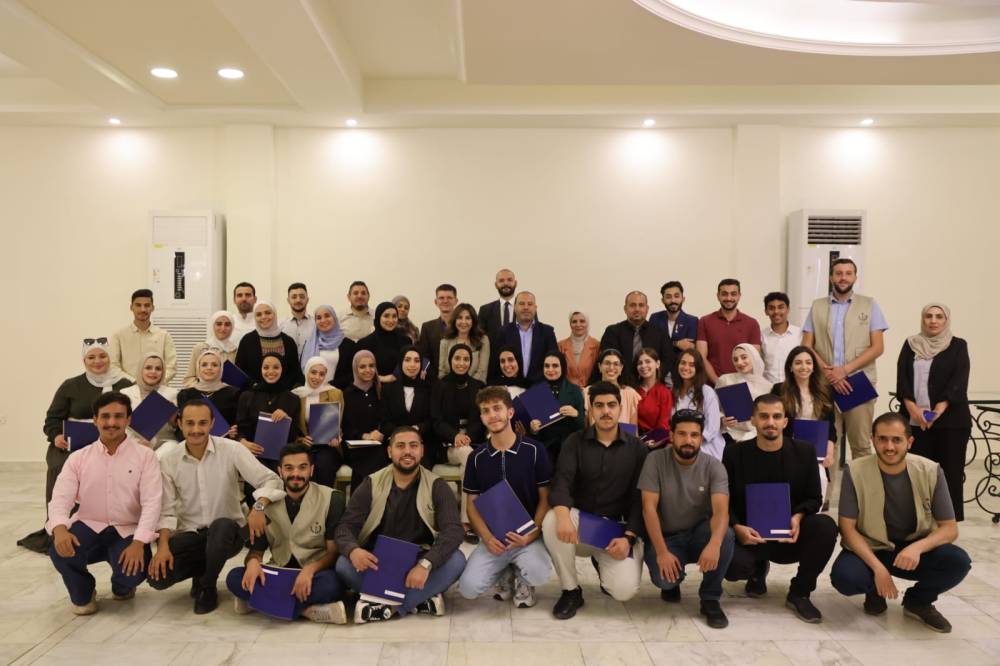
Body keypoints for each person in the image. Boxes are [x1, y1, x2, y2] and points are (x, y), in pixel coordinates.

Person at [830, 413, 970, 633]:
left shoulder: (930, 470)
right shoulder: (855, 471)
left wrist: (917, 548)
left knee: (958, 561)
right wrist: (878, 568)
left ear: (909, 442)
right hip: (872, 547)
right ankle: (874, 590)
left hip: (911, 549)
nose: (889, 447)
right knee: (845, 578)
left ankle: (918, 601)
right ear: (872, 440)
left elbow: (950, 528)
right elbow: (847, 529)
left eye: (897, 440)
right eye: (882, 439)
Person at [149, 399, 284, 614]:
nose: (196, 429)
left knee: (221, 526)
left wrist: (259, 506)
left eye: (202, 423)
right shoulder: (168, 460)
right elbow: (166, 509)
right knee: (158, 578)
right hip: (191, 536)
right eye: (190, 423)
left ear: (212, 423)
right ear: (180, 424)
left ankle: (207, 585)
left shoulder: (232, 449)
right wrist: (162, 547)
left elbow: (271, 480)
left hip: (228, 535)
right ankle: (203, 571)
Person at [722, 395, 839, 623]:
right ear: (753, 420)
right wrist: (736, 527)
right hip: (748, 538)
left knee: (825, 526)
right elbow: (724, 498)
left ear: (785, 422)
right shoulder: (734, 453)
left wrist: (798, 517)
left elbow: (814, 498)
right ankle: (756, 570)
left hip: (789, 537)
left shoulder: (805, 452)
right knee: (733, 568)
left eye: (777, 417)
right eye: (764, 416)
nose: (770, 422)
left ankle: (800, 592)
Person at [334, 427, 467, 623]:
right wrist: (354, 551)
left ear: (422, 450)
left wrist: (426, 564)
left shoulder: (437, 485)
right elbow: (345, 527)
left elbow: (454, 531)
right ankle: (420, 599)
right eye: (400, 446)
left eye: (413, 446)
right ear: (389, 451)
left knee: (457, 560)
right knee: (343, 565)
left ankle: (390, 606)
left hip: (420, 559)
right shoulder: (371, 483)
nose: (407, 452)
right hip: (378, 562)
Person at [47, 392, 161, 615]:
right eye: (105, 416)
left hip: (127, 529)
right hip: (89, 524)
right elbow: (60, 497)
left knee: (133, 572)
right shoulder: (78, 458)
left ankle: (122, 586)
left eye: (118, 416)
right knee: (60, 550)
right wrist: (59, 528)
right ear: (95, 420)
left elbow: (152, 503)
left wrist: (139, 543)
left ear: (128, 420)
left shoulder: (145, 456)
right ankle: (84, 591)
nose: (111, 422)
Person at [543, 381, 648, 619]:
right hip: (581, 526)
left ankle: (602, 563)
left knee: (624, 590)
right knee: (552, 520)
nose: (606, 411)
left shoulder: (637, 448)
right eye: (599, 405)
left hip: (616, 531)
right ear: (590, 409)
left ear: (620, 408)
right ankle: (571, 590)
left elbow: (640, 499)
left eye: (611, 405)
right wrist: (563, 516)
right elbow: (561, 482)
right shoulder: (574, 442)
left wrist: (629, 538)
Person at [19, 339, 132, 554]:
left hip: (111, 443)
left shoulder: (125, 385)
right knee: (59, 465)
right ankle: (59, 526)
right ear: (84, 360)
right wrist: (56, 436)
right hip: (72, 445)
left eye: (102, 356)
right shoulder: (70, 386)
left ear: (110, 358)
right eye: (91, 357)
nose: (97, 361)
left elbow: (136, 418)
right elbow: (52, 419)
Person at [227, 442, 349, 624]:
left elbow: (333, 553)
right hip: (278, 571)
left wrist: (310, 570)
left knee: (333, 584)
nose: (296, 474)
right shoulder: (265, 503)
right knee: (234, 577)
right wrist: (252, 563)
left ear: (312, 470)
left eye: (302, 467)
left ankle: (259, 602)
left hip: (314, 573)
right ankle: (306, 610)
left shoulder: (332, 499)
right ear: (280, 471)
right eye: (289, 468)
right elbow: (256, 552)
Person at [459, 387, 554, 608]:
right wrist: (487, 537)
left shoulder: (535, 450)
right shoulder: (476, 457)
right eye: (486, 411)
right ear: (481, 417)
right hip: (494, 538)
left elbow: (545, 498)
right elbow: (471, 505)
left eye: (497, 408)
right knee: (468, 589)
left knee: (539, 573)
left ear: (510, 412)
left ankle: (523, 577)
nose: (492, 415)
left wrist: (531, 534)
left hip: (527, 537)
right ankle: (505, 570)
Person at [802, 258, 888, 502]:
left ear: (855, 277)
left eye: (848, 273)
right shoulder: (817, 306)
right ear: (831, 277)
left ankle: (863, 498)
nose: (843, 277)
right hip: (824, 384)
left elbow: (877, 347)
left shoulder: (869, 305)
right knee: (826, 443)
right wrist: (830, 373)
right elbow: (806, 345)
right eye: (838, 273)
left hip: (858, 384)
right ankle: (824, 498)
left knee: (861, 444)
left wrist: (845, 370)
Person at [639, 409, 733, 629]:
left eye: (694, 435)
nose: (688, 440)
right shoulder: (654, 460)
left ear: (701, 438)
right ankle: (674, 581)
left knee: (726, 536)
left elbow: (721, 512)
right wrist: (662, 552)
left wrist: (714, 544)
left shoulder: (714, 466)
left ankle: (710, 598)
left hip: (699, 532)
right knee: (665, 581)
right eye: (682, 434)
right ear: (671, 435)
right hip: (667, 536)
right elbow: (648, 509)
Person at [895, 303, 971, 521]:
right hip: (914, 422)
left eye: (939, 316)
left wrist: (937, 410)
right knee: (916, 473)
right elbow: (902, 380)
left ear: (946, 320)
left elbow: (959, 381)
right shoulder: (911, 344)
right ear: (923, 319)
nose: (933, 321)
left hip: (951, 423)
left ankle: (948, 521)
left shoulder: (958, 346)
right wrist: (913, 410)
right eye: (928, 316)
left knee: (949, 474)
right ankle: (918, 518)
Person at [431, 344, 486, 537]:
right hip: (447, 444)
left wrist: (469, 436)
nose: (461, 363)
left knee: (469, 461)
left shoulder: (478, 386)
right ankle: (467, 519)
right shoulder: (440, 385)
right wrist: (455, 436)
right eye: (457, 358)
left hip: (472, 441)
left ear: (471, 362)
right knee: (468, 455)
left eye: (466, 359)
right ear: (450, 360)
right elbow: (436, 420)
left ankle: (473, 516)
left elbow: (480, 419)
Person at [771, 346, 837, 500]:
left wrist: (830, 451)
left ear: (813, 367)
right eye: (798, 363)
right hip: (787, 448)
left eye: (808, 362)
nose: (804, 367)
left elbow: (831, 427)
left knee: (819, 482)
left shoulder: (825, 391)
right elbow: (774, 420)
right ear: (790, 367)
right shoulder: (779, 389)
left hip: (816, 450)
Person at [594, 291, 674, 387]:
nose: (637, 309)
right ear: (625, 309)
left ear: (647, 308)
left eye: (641, 305)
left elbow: (668, 360)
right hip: (620, 386)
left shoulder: (660, 332)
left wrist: (651, 380)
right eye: (632, 305)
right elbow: (607, 361)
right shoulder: (612, 332)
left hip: (652, 387)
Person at [235, 354, 301, 461]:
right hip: (250, 455)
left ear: (283, 369)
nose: (270, 371)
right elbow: (239, 427)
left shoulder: (293, 399)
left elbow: (294, 436)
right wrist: (242, 441)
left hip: (280, 457)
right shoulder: (246, 396)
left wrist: (286, 419)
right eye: (266, 367)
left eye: (276, 367)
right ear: (260, 369)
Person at [696, 279, 762, 385]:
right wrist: (719, 383)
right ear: (718, 296)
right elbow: (701, 357)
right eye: (724, 294)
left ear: (739, 296)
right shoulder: (704, 321)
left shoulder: (752, 324)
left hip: (743, 386)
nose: (729, 298)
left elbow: (754, 359)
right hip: (712, 386)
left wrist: (738, 385)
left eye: (733, 294)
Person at [293, 357, 345, 488]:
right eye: (313, 372)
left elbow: (339, 424)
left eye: (322, 374)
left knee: (323, 465)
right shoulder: (296, 395)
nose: (317, 377)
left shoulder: (335, 393)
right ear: (306, 372)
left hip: (328, 446)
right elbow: (293, 428)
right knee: (305, 464)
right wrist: (301, 440)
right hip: (304, 445)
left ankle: (325, 499)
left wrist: (337, 436)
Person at [379, 346, 434, 467]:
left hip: (421, 442)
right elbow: (384, 422)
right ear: (400, 362)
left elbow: (431, 420)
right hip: (394, 441)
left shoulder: (428, 389)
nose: (412, 365)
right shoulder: (388, 389)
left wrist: (416, 429)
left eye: (417, 360)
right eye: (407, 360)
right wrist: (401, 434)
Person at [109, 289, 177, 383]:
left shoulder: (164, 336)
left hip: (158, 388)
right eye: (138, 305)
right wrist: (134, 382)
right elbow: (113, 366)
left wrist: (154, 383)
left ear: (152, 308)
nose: (143, 309)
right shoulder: (119, 336)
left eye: (147, 305)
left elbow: (171, 367)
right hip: (128, 388)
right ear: (131, 307)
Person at [529, 352, 585, 465]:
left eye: (555, 366)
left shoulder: (575, 390)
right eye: (547, 366)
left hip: (569, 447)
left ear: (562, 367)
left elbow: (582, 425)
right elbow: (529, 429)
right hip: (544, 448)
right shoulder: (534, 390)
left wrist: (576, 414)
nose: (550, 370)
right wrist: (533, 429)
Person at [342, 350, 387, 491]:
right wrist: (364, 436)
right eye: (362, 366)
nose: (368, 370)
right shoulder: (347, 394)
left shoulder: (381, 390)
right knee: (371, 458)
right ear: (355, 369)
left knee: (378, 455)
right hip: (355, 445)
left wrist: (380, 433)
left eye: (371, 366)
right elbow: (346, 426)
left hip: (379, 443)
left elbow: (388, 418)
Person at [235, 301, 305, 388]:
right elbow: (239, 373)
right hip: (254, 394)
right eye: (259, 314)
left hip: (284, 393)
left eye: (268, 313)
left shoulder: (288, 341)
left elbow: (295, 373)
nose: (263, 317)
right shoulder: (247, 341)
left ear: (275, 314)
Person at [671, 349, 725, 460]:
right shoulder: (673, 391)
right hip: (680, 447)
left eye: (691, 365)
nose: (686, 367)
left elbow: (712, 427)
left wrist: (691, 443)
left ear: (698, 368)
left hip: (706, 448)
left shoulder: (707, 392)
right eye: (683, 363)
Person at [494, 291, 558, 384]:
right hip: (511, 386)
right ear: (515, 307)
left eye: (530, 304)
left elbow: (554, 362)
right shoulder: (503, 332)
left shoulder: (547, 332)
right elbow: (497, 364)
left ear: (535, 308)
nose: (526, 307)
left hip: (540, 386)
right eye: (521, 304)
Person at [175, 349, 240, 440]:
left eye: (214, 365)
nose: (209, 368)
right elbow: (180, 429)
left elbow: (238, 425)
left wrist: (236, 431)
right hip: (193, 442)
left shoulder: (234, 393)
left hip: (224, 443)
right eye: (204, 365)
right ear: (198, 368)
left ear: (221, 368)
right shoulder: (185, 395)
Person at [716, 344, 772, 444]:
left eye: (744, 357)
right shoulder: (725, 380)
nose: (739, 362)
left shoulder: (768, 387)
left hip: (757, 436)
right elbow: (714, 407)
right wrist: (722, 420)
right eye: (735, 359)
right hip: (729, 435)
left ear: (753, 356)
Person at [121, 353, 178, 449]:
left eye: (158, 369)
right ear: (140, 370)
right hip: (133, 444)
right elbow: (120, 426)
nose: (153, 372)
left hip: (164, 445)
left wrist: (173, 420)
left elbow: (178, 428)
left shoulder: (173, 394)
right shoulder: (125, 393)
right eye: (148, 368)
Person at [583, 350, 640, 427]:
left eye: (616, 364)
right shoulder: (588, 392)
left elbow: (632, 430)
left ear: (621, 368)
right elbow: (585, 427)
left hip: (624, 435)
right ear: (599, 366)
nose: (611, 367)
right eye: (607, 363)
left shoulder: (630, 394)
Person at [299, 304, 350, 388]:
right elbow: (301, 373)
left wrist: (329, 386)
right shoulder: (310, 344)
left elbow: (350, 374)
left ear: (334, 318)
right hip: (311, 392)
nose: (323, 320)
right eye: (319, 318)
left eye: (327, 316)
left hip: (337, 391)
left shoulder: (347, 344)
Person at [358, 302, 409, 384]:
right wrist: (381, 379)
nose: (391, 320)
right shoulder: (365, 343)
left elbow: (409, 364)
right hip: (374, 388)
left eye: (394, 316)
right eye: (386, 316)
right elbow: (359, 371)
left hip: (401, 388)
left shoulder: (405, 341)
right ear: (378, 317)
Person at [438, 303, 490, 383]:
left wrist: (467, 387)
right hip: (449, 387)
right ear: (454, 320)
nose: (463, 322)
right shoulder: (445, 342)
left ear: (473, 321)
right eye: (459, 318)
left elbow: (482, 372)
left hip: (475, 387)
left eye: (468, 318)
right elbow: (442, 372)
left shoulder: (483, 340)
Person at [183, 311, 238, 388]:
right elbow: (189, 378)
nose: (223, 328)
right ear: (212, 326)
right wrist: (203, 390)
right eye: (219, 324)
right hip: (202, 394)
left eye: (227, 324)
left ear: (232, 327)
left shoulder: (235, 351)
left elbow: (237, 380)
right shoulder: (200, 348)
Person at [417, 284, 459, 379]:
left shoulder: (463, 325)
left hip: (461, 379)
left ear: (456, 301)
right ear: (436, 302)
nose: (445, 301)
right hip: (435, 380)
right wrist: (428, 372)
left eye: (449, 298)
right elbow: (425, 356)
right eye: (441, 298)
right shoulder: (427, 327)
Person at [761, 292, 803, 384]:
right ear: (766, 311)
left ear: (788, 309)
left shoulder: (800, 334)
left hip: (794, 387)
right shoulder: (761, 336)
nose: (776, 311)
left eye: (781, 307)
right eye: (771, 308)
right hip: (769, 388)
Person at [635, 348, 673, 447]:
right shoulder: (632, 391)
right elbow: (627, 420)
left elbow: (664, 424)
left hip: (657, 443)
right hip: (634, 442)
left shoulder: (664, 392)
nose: (643, 366)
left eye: (648, 361)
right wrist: (634, 442)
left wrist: (652, 441)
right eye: (640, 363)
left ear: (657, 364)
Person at [649, 281, 699, 353]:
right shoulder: (655, 318)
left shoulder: (692, 321)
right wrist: (676, 343)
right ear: (663, 300)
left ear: (683, 299)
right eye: (668, 297)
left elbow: (689, 348)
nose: (673, 300)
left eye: (676, 296)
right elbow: (652, 344)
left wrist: (664, 343)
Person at [557, 311, 599, 388]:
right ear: (570, 324)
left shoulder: (596, 345)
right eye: (574, 322)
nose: (578, 324)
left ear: (587, 323)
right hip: (567, 390)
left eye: (582, 321)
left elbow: (599, 372)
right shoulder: (560, 346)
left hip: (591, 390)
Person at [478, 268, 518, 344]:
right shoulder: (485, 310)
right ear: (496, 285)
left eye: (509, 280)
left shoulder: (527, 308)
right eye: (501, 281)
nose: (505, 283)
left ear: (515, 283)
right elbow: (480, 338)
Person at [280, 282, 315, 360]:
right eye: (294, 297)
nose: (298, 300)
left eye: (302, 297)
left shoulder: (316, 324)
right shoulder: (280, 325)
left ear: (307, 300)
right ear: (288, 300)